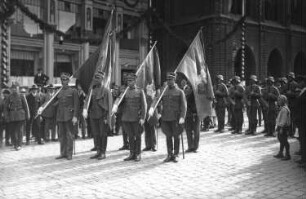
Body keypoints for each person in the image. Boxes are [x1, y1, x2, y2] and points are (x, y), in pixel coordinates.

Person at [39, 72, 79, 160]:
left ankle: (69, 153)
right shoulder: (58, 92)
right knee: (61, 135)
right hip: (60, 116)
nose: (63, 81)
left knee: (69, 135)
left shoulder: (73, 91)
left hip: (69, 116)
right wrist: (42, 107)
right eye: (62, 80)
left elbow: (76, 105)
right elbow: (53, 103)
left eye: (65, 79)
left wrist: (75, 116)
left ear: (68, 81)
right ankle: (63, 153)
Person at [149, 72, 187, 163]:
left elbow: (184, 106)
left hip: (176, 118)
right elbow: (156, 100)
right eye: (168, 80)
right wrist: (152, 108)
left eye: (171, 80)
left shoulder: (180, 92)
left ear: (174, 80)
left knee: (176, 136)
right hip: (166, 117)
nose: (169, 81)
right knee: (168, 136)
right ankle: (169, 154)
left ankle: (176, 154)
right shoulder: (163, 91)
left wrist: (182, 116)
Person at [112, 73, 147, 162]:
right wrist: (115, 105)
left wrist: (143, 117)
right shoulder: (124, 91)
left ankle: (138, 154)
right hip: (126, 117)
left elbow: (144, 106)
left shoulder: (140, 91)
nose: (129, 82)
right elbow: (119, 99)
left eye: (131, 81)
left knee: (137, 136)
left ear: (135, 81)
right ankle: (132, 153)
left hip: (136, 118)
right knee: (130, 136)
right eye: (128, 81)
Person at [83, 71, 112, 160]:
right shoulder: (92, 90)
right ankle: (98, 151)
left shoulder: (106, 91)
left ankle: (103, 152)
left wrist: (108, 117)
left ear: (102, 79)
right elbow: (87, 102)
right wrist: (85, 109)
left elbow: (109, 105)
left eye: (98, 78)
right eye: (95, 78)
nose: (96, 80)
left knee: (103, 134)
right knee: (95, 134)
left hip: (102, 116)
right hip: (93, 115)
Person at [4, 82, 30, 150]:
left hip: (20, 115)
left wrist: (27, 115)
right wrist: (6, 116)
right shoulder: (9, 97)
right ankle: (15, 144)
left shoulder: (21, 96)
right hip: (12, 116)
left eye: (15, 88)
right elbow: (6, 108)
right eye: (13, 88)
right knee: (12, 131)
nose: (14, 90)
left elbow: (26, 106)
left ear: (18, 88)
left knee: (20, 131)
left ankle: (19, 144)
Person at [274, 95, 291, 161]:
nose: (278, 102)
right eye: (278, 100)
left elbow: (284, 120)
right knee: (281, 140)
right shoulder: (283, 108)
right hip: (281, 126)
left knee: (284, 141)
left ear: (283, 101)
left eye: (279, 100)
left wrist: (281, 128)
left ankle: (288, 155)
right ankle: (281, 153)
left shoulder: (284, 109)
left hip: (283, 127)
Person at [184, 82, 200, 152]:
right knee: (188, 131)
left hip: (195, 114)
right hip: (187, 114)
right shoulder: (185, 90)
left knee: (196, 131)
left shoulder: (195, 92)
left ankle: (195, 147)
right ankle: (190, 146)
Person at [294, 75, 306, 167]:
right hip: (301, 119)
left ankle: (304, 161)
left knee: (304, 139)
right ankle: (303, 158)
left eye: (301, 81)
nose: (299, 83)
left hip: (303, 120)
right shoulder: (303, 91)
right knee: (302, 139)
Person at [143, 84, 158, 152]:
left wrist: (159, 113)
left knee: (152, 130)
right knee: (147, 131)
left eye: (150, 89)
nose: (149, 90)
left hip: (152, 115)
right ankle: (148, 145)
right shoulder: (144, 96)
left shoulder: (154, 96)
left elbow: (157, 104)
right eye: (147, 89)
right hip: (146, 115)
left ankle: (153, 145)